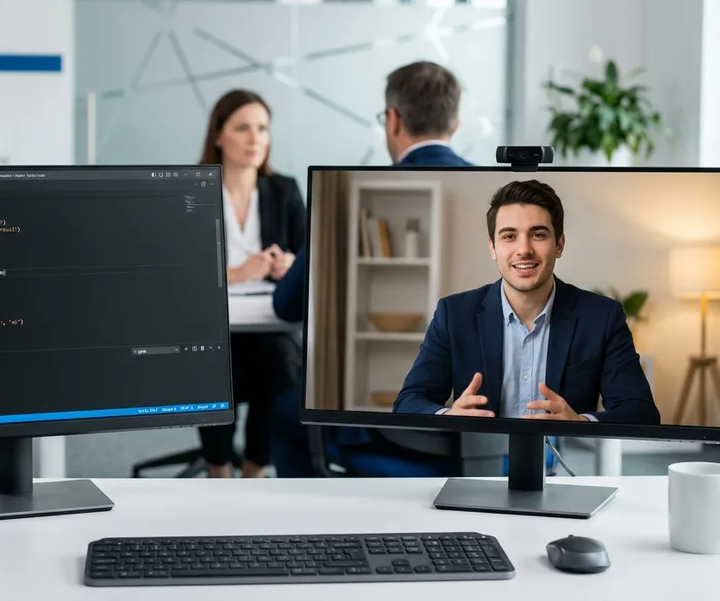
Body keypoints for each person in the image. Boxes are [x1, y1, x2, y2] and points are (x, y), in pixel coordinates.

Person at [269, 61, 472, 477]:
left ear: (393, 120)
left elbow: (287, 305)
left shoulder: (351, 198)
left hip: (383, 425)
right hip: (492, 436)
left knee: (284, 414)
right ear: (455, 121)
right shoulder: (511, 200)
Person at [392, 179, 660, 425]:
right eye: (509, 236)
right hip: (480, 467)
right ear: (492, 248)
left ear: (559, 245)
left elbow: (641, 411)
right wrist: (450, 415)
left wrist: (581, 423)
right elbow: (408, 402)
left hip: (562, 468)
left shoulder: (602, 317)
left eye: (538, 234)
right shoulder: (454, 314)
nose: (524, 249)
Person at [200, 88, 305, 478]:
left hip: (266, 325)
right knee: (211, 365)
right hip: (213, 325)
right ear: (218, 135)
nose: (255, 138)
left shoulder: (284, 190)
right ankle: (218, 468)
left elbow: (305, 257)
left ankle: (255, 468)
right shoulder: (193, 188)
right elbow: (180, 270)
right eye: (242, 128)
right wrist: (236, 273)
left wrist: (288, 265)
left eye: (262, 128)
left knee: (281, 364)